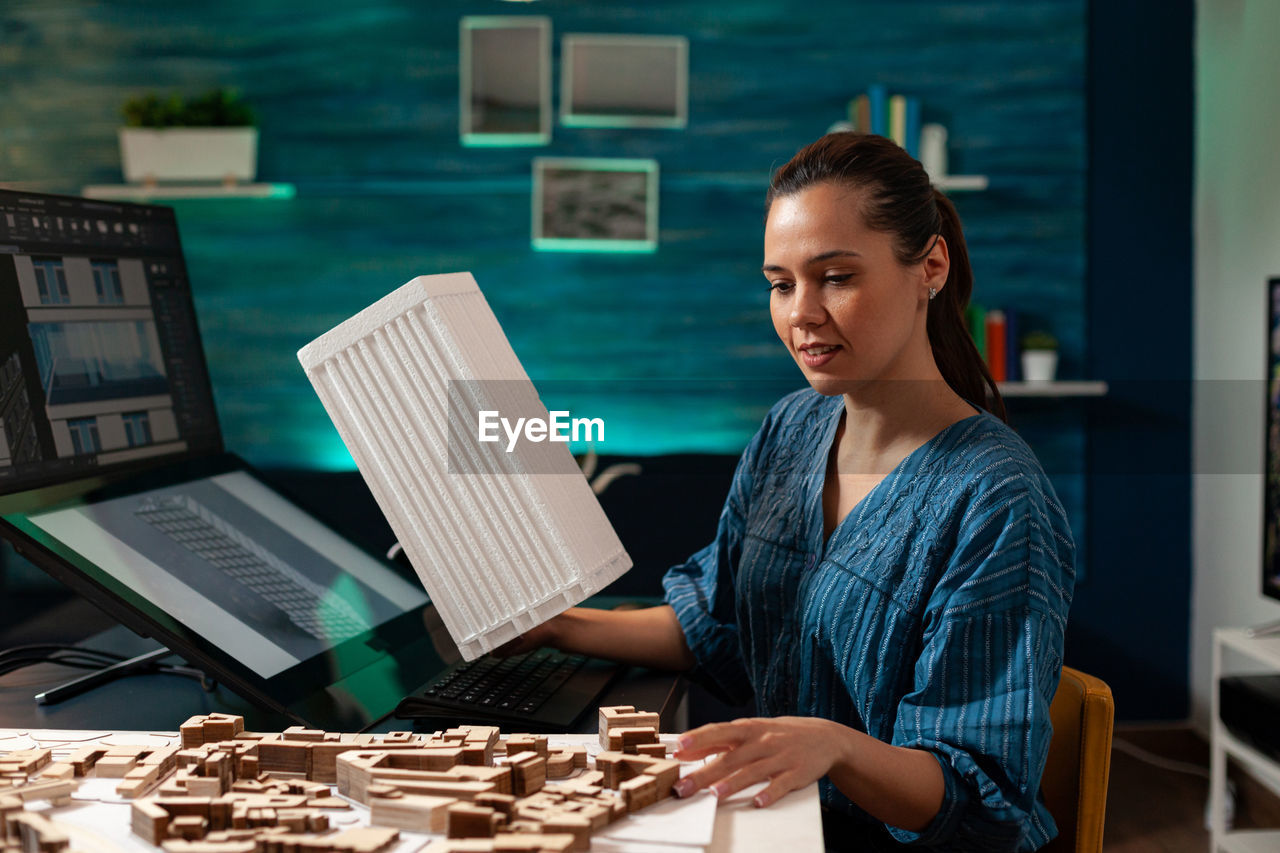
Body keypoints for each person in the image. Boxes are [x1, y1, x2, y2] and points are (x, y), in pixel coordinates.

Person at [502, 132, 1075, 851]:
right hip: (778, 823)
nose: (801, 311)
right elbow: (715, 623)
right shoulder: (791, 428)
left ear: (930, 266)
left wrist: (834, 746)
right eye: (781, 283)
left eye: (835, 277)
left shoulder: (995, 499)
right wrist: (557, 623)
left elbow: (980, 797)